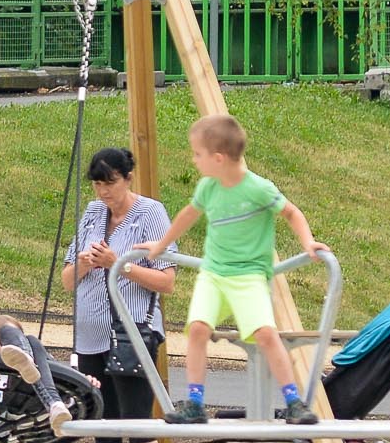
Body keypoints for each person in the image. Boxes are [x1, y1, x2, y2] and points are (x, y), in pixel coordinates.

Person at [135, 114, 327, 425]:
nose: (194, 160)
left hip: (249, 275)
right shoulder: (209, 187)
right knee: (197, 328)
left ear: (219, 158)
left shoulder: (258, 189)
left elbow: (292, 213)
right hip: (213, 274)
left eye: (198, 154)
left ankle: (294, 401)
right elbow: (188, 215)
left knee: (265, 334)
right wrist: (161, 244)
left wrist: (308, 242)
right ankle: (195, 402)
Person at [61, 147, 178, 443]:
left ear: (128, 179)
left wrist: (118, 264)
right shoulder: (92, 212)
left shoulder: (151, 213)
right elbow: (66, 281)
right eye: (97, 184)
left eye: (110, 183)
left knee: (137, 421)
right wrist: (85, 264)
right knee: (103, 422)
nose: (103, 192)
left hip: (132, 332)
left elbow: (167, 282)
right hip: (90, 333)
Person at [0, 313, 73, 436]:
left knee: (32, 342)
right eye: (11, 338)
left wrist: (81, 378)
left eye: (19, 339)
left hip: (15, 413)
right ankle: (55, 403)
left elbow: (54, 371)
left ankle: (57, 406)